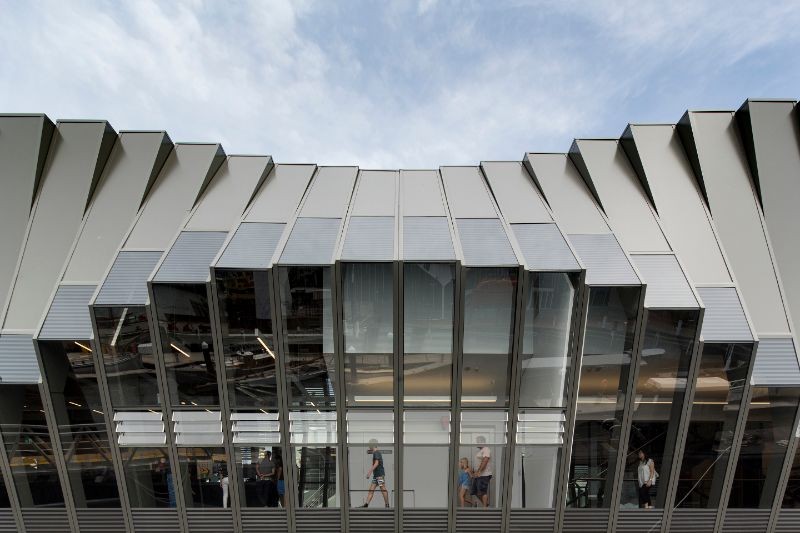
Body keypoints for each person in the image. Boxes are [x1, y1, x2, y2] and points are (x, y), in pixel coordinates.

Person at [361, 439, 390, 508]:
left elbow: (376, 463)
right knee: (371, 490)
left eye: (369, 444)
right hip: (376, 476)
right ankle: (366, 504)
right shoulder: (376, 453)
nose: (369, 446)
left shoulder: (376, 453)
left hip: (379, 475)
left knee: (383, 489)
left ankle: (387, 505)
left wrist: (369, 472)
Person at [472, 436, 492, 507]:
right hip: (478, 474)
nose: (476, 443)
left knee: (482, 492)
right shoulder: (480, 451)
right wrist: (475, 473)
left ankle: (485, 510)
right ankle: (486, 504)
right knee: (475, 491)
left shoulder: (486, 449)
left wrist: (479, 471)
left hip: (484, 474)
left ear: (483, 441)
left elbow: (485, 460)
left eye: (478, 441)